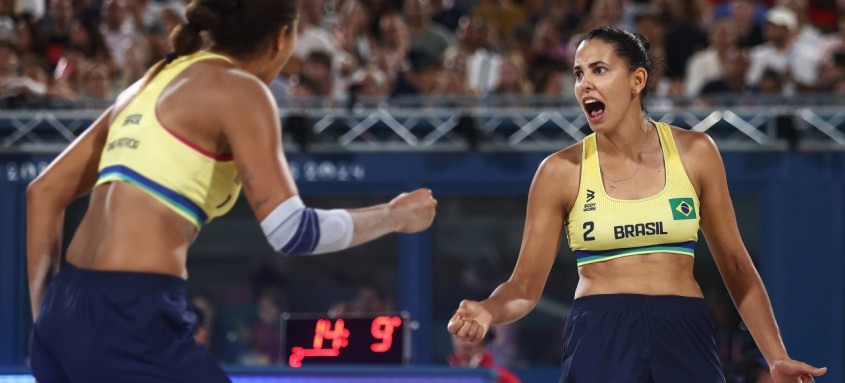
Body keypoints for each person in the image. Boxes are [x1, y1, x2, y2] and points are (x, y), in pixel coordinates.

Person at [26, 0, 437, 381]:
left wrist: (49, 318)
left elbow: (43, 191)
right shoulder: (241, 90)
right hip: (133, 318)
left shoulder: (152, 80)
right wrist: (396, 216)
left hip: (64, 315)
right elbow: (293, 231)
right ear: (282, 38)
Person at [447, 26, 826, 383]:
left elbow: (738, 268)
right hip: (600, 334)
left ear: (637, 80)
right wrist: (489, 310)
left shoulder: (696, 153)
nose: (585, 84)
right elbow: (525, 286)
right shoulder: (559, 171)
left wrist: (775, 357)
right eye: (578, 74)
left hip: (683, 331)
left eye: (599, 69)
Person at [448, 332, 521, 383]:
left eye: (472, 334)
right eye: (459, 333)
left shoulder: (504, 379)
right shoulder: (441, 374)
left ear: (484, 339)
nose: (466, 339)